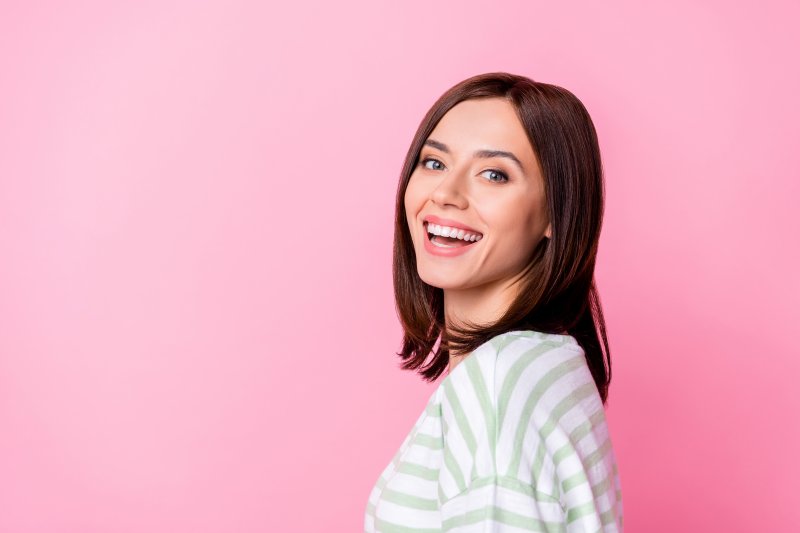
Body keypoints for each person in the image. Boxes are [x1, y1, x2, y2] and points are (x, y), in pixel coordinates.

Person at [364, 72, 623, 532]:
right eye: (434, 163)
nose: (444, 194)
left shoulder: (500, 387)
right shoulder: (546, 365)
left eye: (494, 174)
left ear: (555, 214)